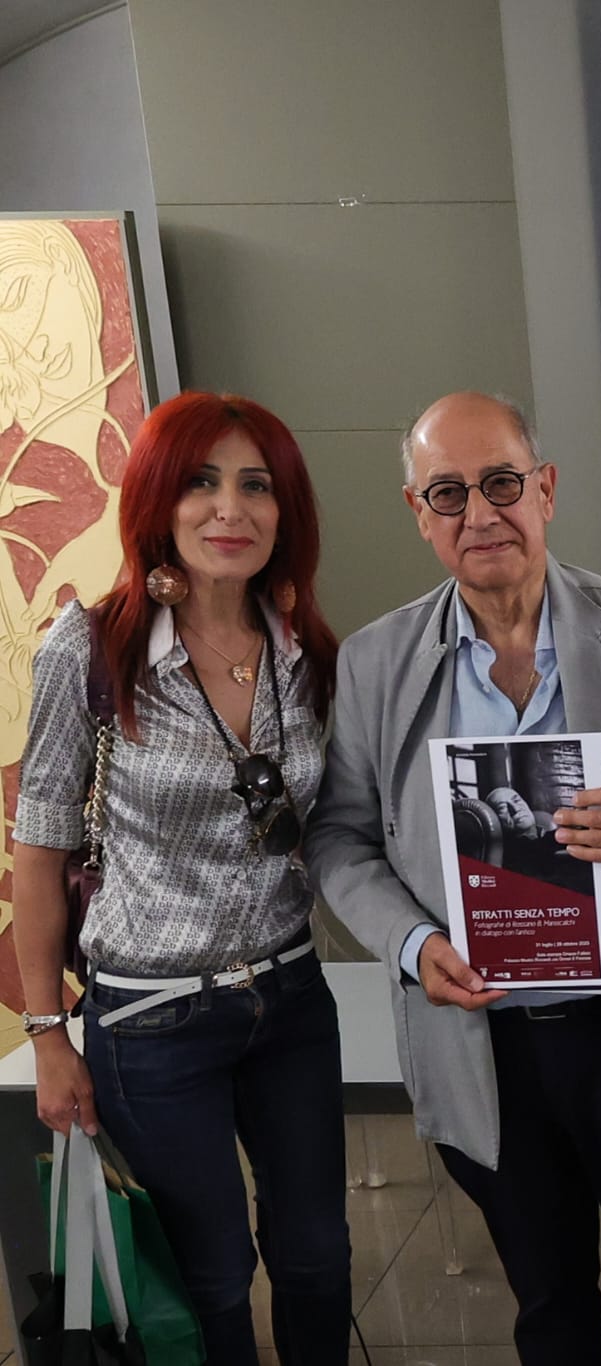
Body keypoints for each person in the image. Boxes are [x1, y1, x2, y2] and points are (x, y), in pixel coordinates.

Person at [303, 392, 601, 1365]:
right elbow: (338, 838)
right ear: (418, 512)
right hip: (481, 1038)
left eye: (500, 482)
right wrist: (415, 945)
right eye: (447, 492)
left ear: (544, 488)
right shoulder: (375, 665)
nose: (479, 512)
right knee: (547, 1307)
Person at [12, 391, 348, 1366]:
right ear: (159, 499)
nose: (228, 509)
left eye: (256, 485)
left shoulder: (305, 654)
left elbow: (337, 825)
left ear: (286, 512)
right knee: (212, 1276)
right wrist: (46, 1036)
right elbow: (37, 851)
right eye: (200, 482)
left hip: (288, 996)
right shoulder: (93, 650)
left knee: (319, 1259)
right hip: (151, 1021)